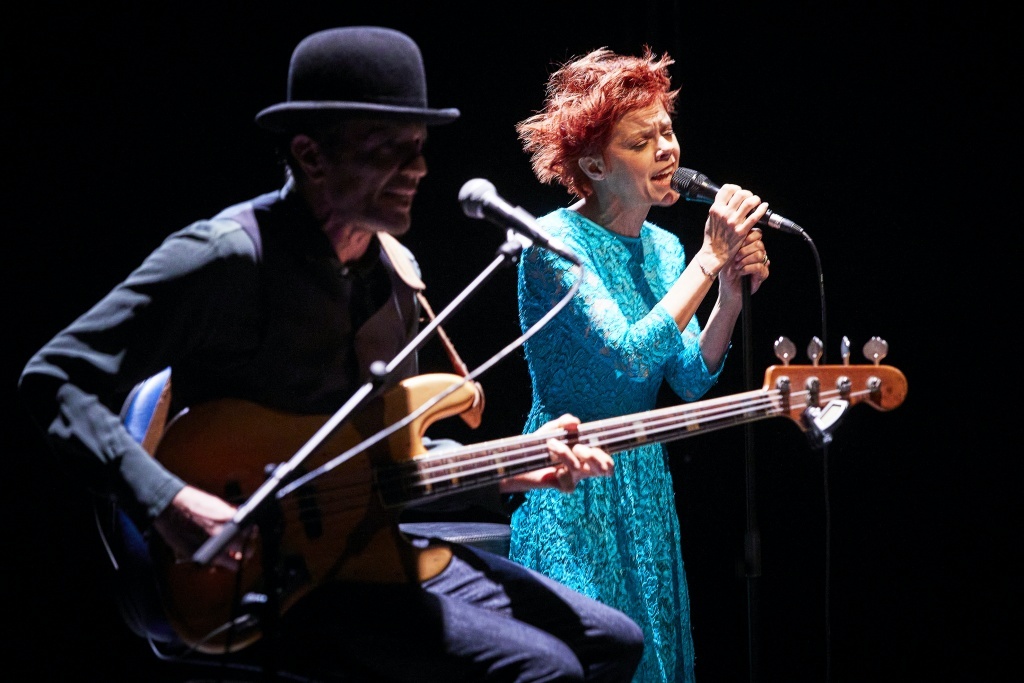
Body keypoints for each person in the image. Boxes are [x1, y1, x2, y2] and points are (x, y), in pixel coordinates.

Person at [17, 27, 645, 682]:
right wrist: (167, 500)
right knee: (548, 671)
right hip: (265, 575)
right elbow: (53, 378)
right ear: (311, 156)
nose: (418, 170)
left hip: (368, 553)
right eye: (387, 150)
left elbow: (371, 454)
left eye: (420, 148)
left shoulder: (393, 273)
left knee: (613, 641)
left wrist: (509, 467)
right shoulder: (228, 256)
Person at [506, 46, 772, 683]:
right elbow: (626, 358)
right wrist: (708, 265)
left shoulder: (663, 245)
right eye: (641, 139)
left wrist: (729, 295)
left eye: (667, 130)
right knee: (589, 660)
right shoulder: (553, 247)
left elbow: (687, 374)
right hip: (570, 481)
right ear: (594, 164)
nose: (667, 149)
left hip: (643, 480)